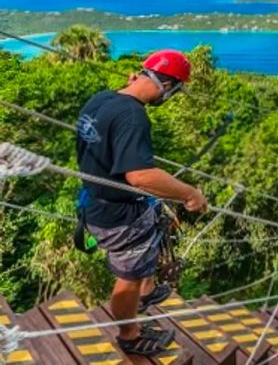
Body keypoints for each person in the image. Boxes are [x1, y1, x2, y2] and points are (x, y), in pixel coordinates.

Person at [75, 50, 208, 356]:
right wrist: (190, 193)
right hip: (119, 213)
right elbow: (140, 175)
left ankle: (147, 292)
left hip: (96, 201)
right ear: (169, 85)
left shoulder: (101, 100)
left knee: (150, 235)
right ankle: (129, 335)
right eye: (174, 91)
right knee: (129, 276)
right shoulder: (133, 116)